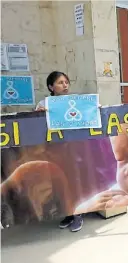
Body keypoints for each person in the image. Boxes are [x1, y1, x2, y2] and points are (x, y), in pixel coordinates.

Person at [35, 71, 84, 232]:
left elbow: (87, 117)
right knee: (59, 183)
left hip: (72, 149)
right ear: (51, 86)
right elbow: (36, 126)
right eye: (60, 82)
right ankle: (67, 214)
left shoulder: (76, 102)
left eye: (66, 82)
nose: (65, 85)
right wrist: (38, 115)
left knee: (74, 181)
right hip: (54, 150)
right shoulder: (44, 103)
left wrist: (94, 108)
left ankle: (78, 215)